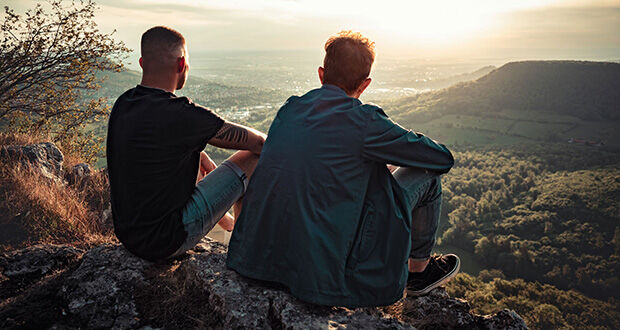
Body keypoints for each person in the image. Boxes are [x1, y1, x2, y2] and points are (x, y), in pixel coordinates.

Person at [227, 31, 459, 307]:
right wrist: (390, 150)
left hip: (254, 261)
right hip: (320, 277)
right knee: (427, 177)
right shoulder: (365, 122)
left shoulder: (290, 109)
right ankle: (418, 273)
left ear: (321, 74)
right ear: (365, 84)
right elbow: (441, 159)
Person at [107, 26, 266, 262]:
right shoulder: (182, 114)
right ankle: (245, 249)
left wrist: (199, 155)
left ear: (142, 63)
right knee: (252, 158)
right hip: (167, 240)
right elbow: (260, 143)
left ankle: (230, 226)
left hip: (131, 237)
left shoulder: (124, 103)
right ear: (181, 65)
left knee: (197, 154)